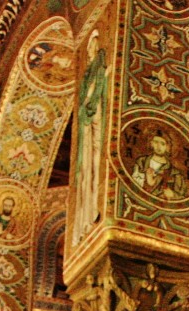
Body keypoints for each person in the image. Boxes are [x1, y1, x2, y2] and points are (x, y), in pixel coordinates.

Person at [74, 30, 107, 243]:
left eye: (95, 43)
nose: (92, 47)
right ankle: (84, 219)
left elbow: (98, 88)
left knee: (96, 161)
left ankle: (94, 208)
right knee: (86, 169)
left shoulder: (100, 66)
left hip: (95, 117)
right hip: (88, 119)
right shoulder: (87, 74)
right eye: (90, 45)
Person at [132, 130, 187, 199]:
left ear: (167, 147)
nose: (159, 146)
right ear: (151, 143)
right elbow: (133, 186)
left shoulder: (175, 173)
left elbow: (182, 196)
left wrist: (173, 195)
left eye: (162, 144)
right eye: (156, 142)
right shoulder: (141, 162)